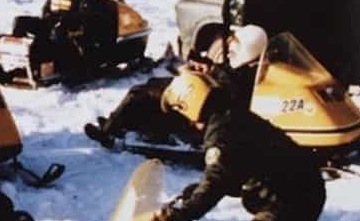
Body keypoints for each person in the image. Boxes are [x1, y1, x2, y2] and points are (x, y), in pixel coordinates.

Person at [152, 68, 352, 221]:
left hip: (287, 196)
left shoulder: (220, 134)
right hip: (302, 187)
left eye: (181, 113)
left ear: (188, 106)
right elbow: (234, 171)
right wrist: (193, 192)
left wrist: (180, 215)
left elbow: (215, 182)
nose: (185, 123)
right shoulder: (229, 115)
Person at [84, 24, 269, 149]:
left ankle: (108, 132)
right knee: (152, 86)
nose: (231, 45)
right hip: (200, 93)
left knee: (141, 92)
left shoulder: (242, 73)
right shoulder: (254, 65)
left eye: (236, 42)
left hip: (199, 106)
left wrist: (206, 72)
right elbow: (224, 74)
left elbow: (223, 88)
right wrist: (207, 67)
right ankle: (118, 123)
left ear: (248, 47)